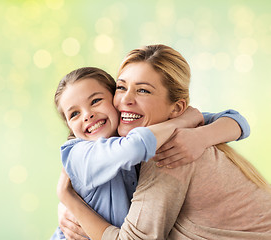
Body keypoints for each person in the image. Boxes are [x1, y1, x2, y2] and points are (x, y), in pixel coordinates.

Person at [56, 44, 271, 240]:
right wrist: (68, 203)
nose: (126, 100)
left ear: (176, 108)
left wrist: (70, 200)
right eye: (121, 87)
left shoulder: (173, 150)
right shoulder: (161, 130)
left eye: (143, 90)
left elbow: (236, 120)